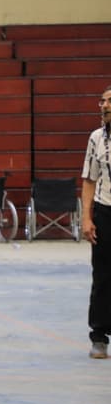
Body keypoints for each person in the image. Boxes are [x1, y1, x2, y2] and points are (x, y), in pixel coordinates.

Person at [82, 84, 111, 359]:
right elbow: (89, 180)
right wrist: (86, 218)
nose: (104, 106)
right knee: (102, 276)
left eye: (109, 101)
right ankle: (99, 336)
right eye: (102, 101)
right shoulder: (96, 138)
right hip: (105, 212)